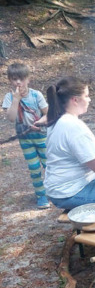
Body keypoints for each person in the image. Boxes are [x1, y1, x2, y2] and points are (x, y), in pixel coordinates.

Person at [44, 77, 95, 209]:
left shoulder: (58, 119)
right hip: (71, 192)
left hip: (72, 185)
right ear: (75, 100)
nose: (89, 100)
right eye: (87, 96)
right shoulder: (73, 126)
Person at [2, 62, 49, 209]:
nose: (18, 82)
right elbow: (11, 117)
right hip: (25, 139)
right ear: (10, 80)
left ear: (28, 79)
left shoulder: (36, 95)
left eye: (21, 79)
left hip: (42, 136)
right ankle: (41, 195)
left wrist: (40, 122)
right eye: (14, 79)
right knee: (34, 168)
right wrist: (16, 99)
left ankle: (54, 190)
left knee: (49, 165)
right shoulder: (9, 98)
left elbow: (48, 113)